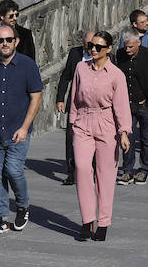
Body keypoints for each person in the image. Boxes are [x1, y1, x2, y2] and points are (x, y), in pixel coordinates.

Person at [0, 24, 43, 234]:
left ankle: (23, 206)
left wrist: (25, 127)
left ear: (16, 41)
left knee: (13, 170)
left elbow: (36, 97)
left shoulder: (27, 65)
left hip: (17, 130)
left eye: (8, 40)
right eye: (0, 40)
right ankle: (1, 218)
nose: (4, 44)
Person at [68, 31, 131, 242]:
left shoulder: (116, 75)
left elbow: (121, 106)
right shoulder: (80, 68)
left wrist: (124, 132)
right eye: (91, 46)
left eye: (98, 47)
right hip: (83, 123)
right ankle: (87, 220)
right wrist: (72, 123)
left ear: (109, 49)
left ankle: (103, 222)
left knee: (105, 175)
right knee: (82, 168)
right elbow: (75, 98)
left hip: (107, 124)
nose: (93, 50)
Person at [115, 30, 148, 185]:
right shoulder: (120, 54)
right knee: (127, 137)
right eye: (126, 47)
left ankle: (144, 170)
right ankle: (127, 170)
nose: (127, 50)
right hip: (127, 104)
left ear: (138, 43)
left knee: (147, 139)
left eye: (130, 47)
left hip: (146, 105)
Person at [55, 30, 95, 186]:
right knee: (71, 138)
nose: (89, 49)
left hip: (93, 106)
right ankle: (71, 173)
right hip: (75, 104)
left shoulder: (104, 55)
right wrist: (60, 99)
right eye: (86, 45)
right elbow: (66, 76)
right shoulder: (75, 53)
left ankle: (91, 171)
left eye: (91, 45)